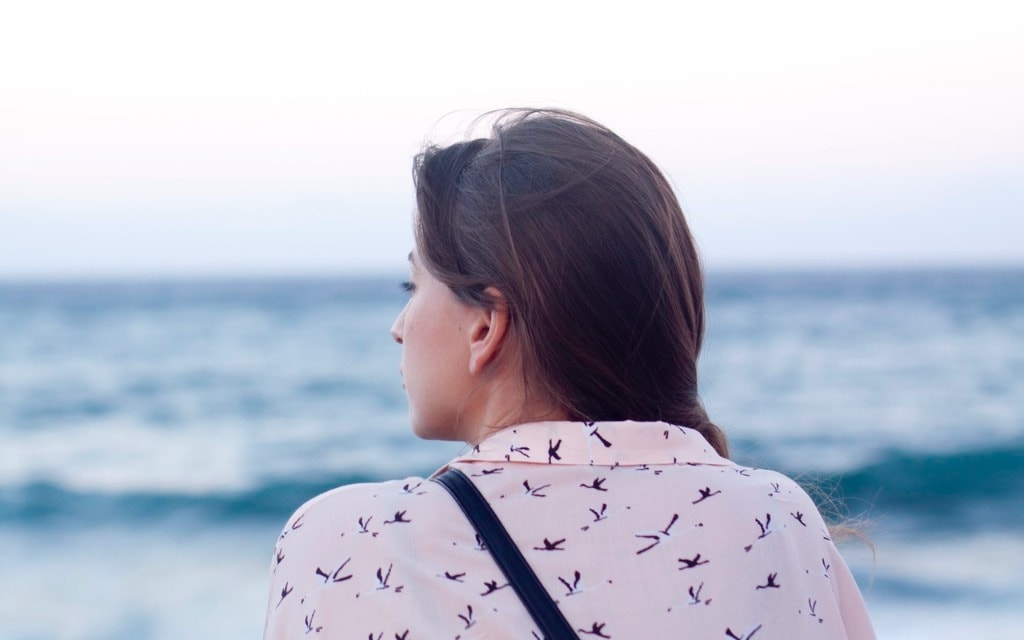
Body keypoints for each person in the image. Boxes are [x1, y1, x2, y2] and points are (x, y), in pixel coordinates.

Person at [263, 109, 876, 639]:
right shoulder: (779, 523)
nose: (399, 327)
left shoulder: (356, 541)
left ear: (485, 326)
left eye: (413, 286)